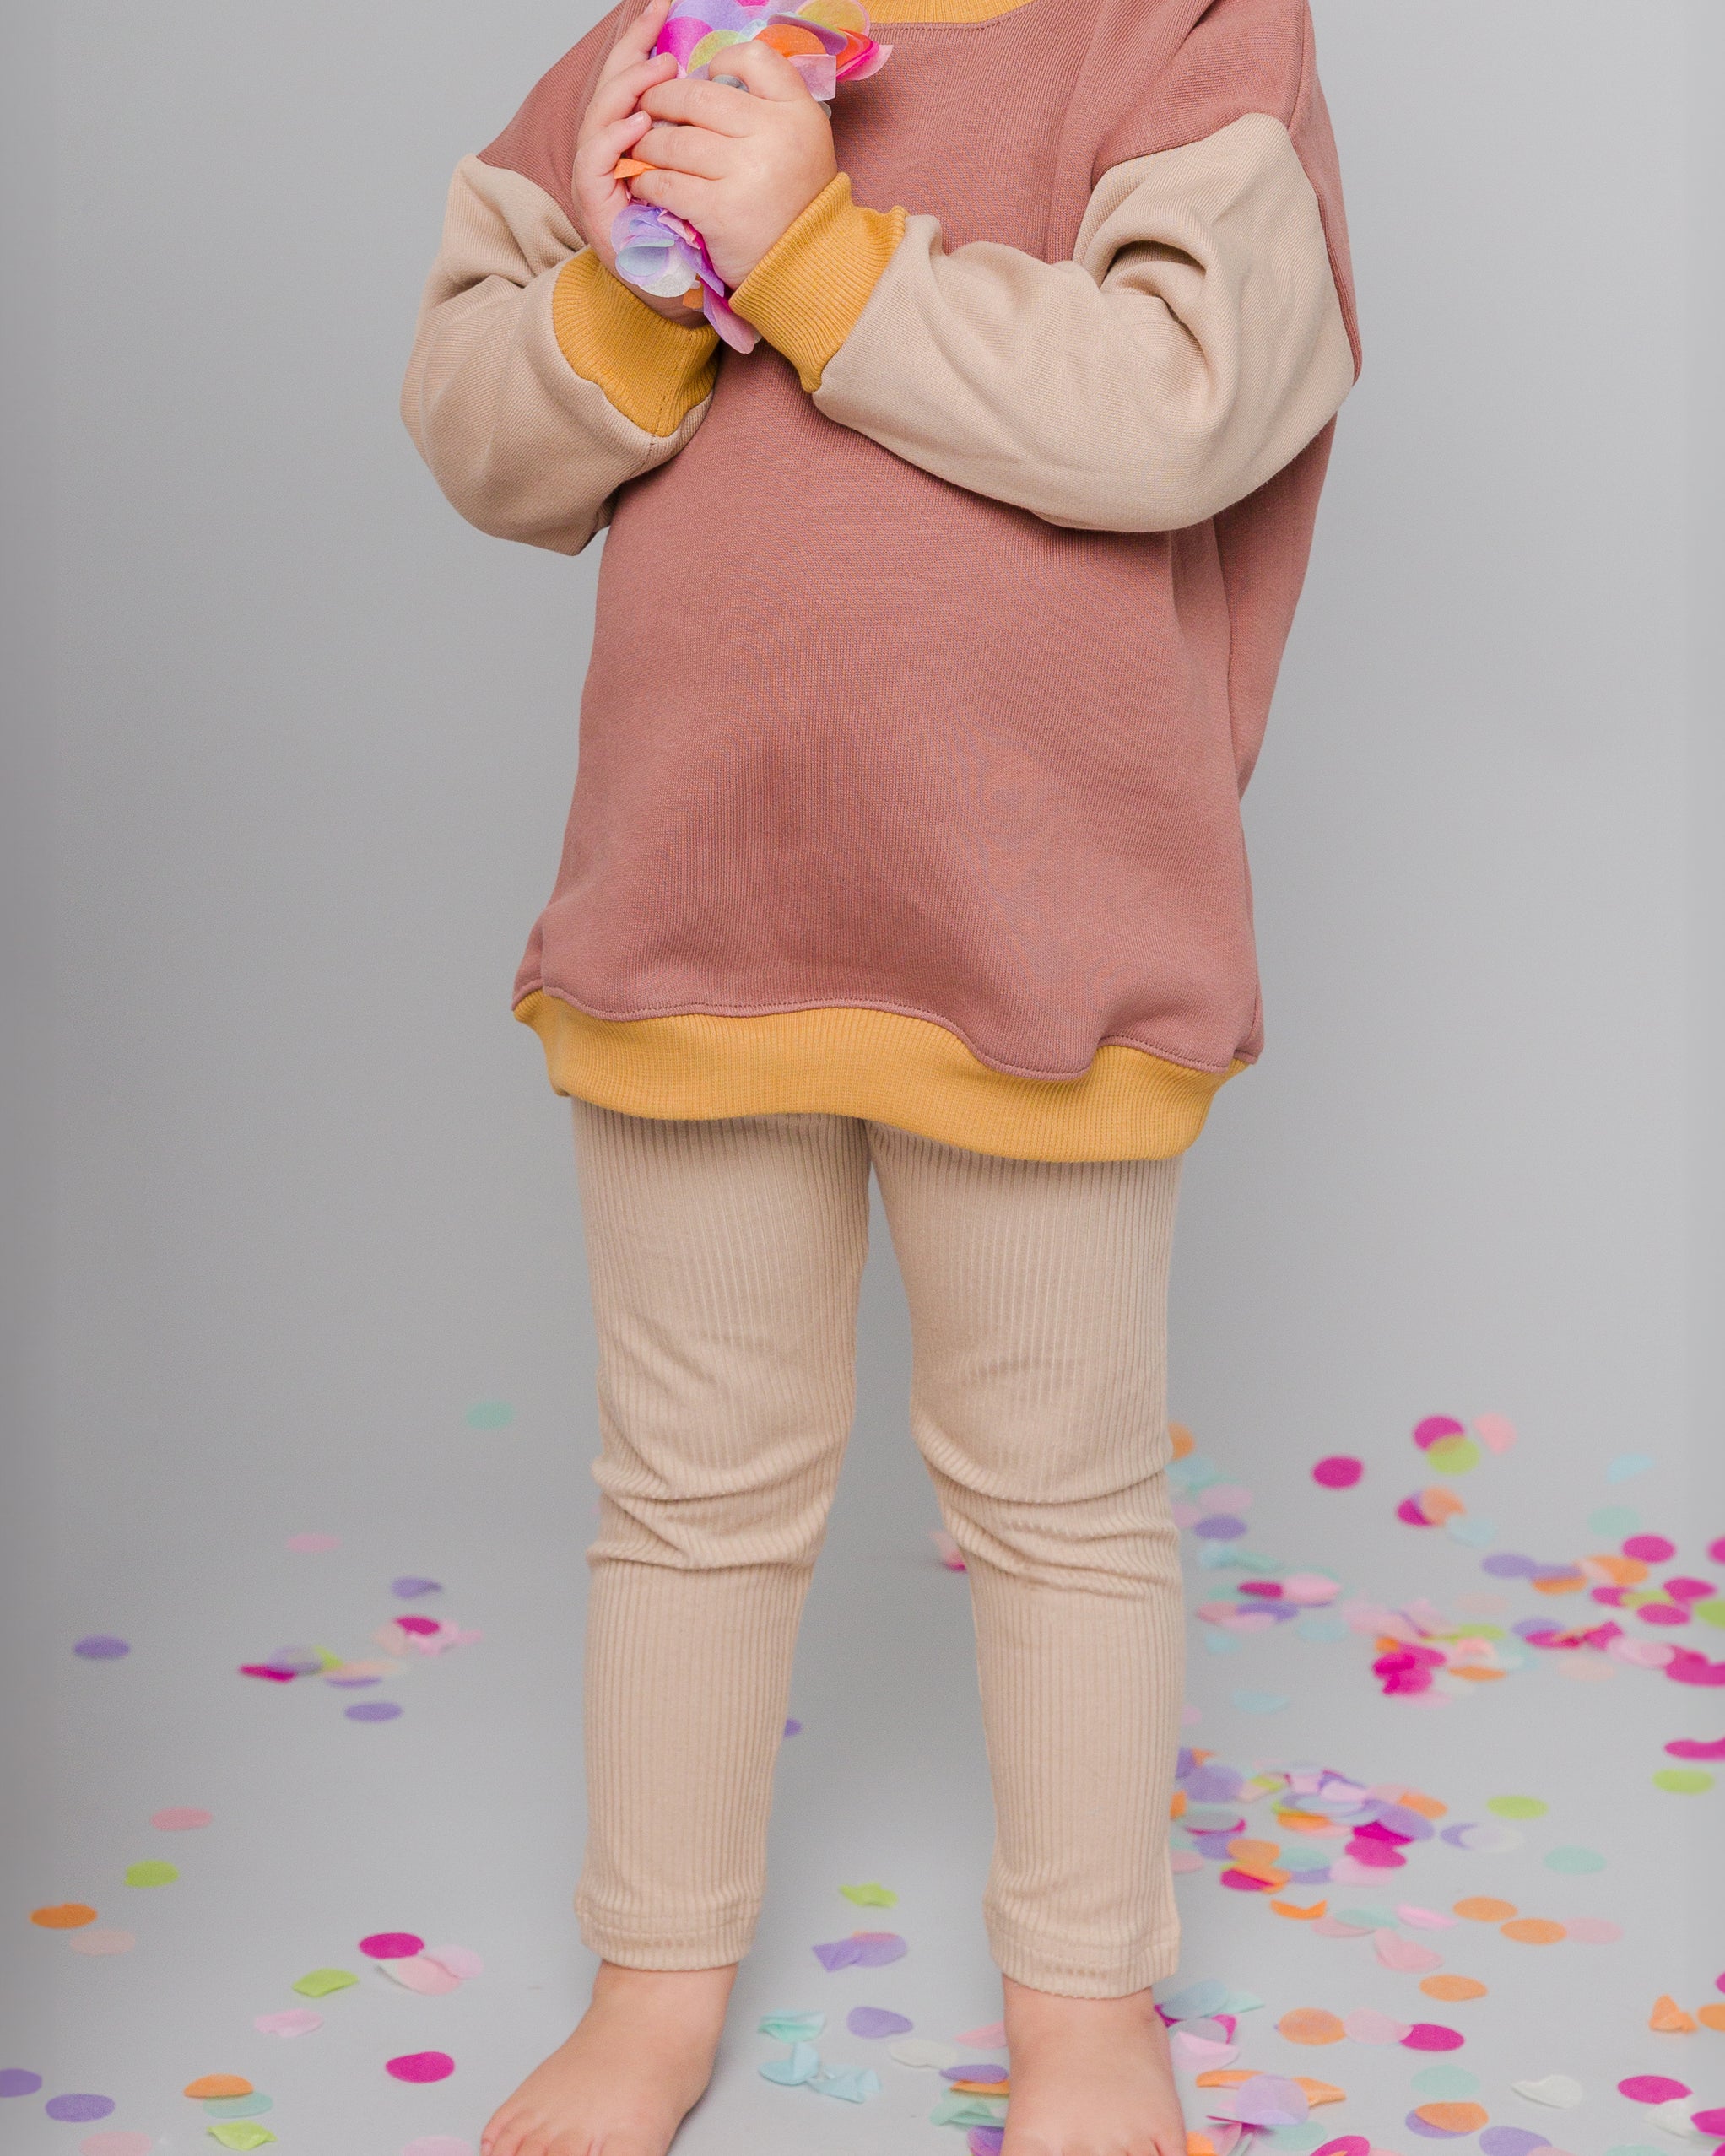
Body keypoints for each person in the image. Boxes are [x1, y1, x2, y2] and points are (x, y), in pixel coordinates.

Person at [402, 0, 1358, 2142]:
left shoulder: (1190, 37)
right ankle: (653, 1980)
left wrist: (814, 256)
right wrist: (632, 288)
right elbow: (475, 433)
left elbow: (1188, 404)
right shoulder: (662, 42)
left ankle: (1083, 2006)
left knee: (1061, 1501)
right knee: (690, 1492)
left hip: (1041, 932)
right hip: (696, 903)